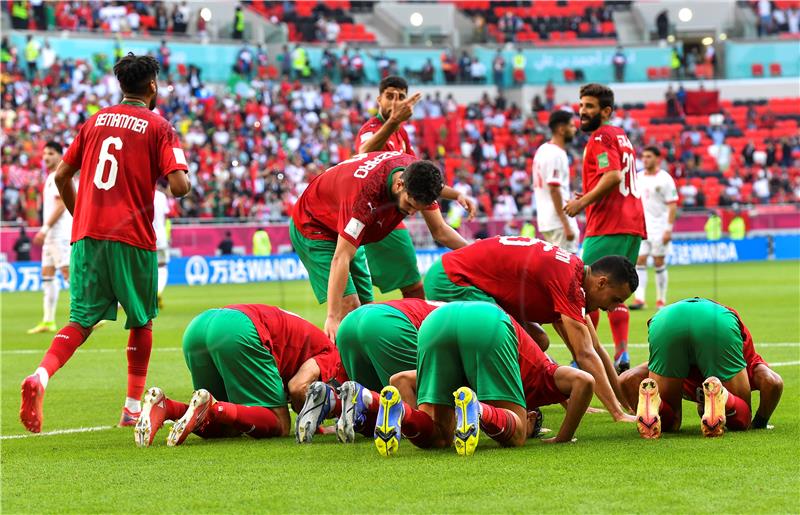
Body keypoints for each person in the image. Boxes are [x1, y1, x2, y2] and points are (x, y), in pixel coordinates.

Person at [19, 53, 191, 434]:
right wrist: (181, 171)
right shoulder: (159, 127)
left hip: (86, 235)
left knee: (80, 321)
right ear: (152, 86)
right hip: (132, 237)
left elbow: (63, 176)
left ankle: (41, 376)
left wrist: (81, 214)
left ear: (121, 85)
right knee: (142, 320)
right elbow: (179, 187)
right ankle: (131, 408)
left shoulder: (94, 122)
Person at [424, 236, 637, 422]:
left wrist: (625, 403)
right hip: (454, 279)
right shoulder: (569, 285)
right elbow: (585, 354)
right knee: (510, 344)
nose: (610, 309)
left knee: (538, 341)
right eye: (614, 299)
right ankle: (486, 407)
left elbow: (596, 347)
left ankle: (486, 401)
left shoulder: (574, 274)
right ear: (601, 283)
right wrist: (617, 414)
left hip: (460, 275)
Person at [371, 302, 595, 457]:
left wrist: (416, 412)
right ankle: (477, 409)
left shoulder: (480, 379)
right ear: (532, 416)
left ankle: (401, 413)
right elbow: (585, 381)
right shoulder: (544, 375)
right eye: (533, 426)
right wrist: (563, 438)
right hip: (487, 321)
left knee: (440, 439)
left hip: (436, 321)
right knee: (516, 438)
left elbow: (400, 379)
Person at [290, 151, 466, 341]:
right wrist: (332, 317)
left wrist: (476, 251)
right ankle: (335, 367)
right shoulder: (365, 199)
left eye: (419, 209)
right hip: (314, 226)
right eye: (410, 204)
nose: (413, 212)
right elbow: (341, 257)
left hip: (344, 223)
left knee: (368, 314)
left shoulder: (418, 176)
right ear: (399, 185)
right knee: (349, 308)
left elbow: (440, 230)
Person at [133, 304, 346, 447]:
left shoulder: (313, 338)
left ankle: (167, 407)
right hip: (237, 329)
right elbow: (299, 387)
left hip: (199, 327)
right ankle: (215, 406)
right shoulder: (333, 354)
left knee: (228, 427)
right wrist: (314, 424)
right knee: (280, 425)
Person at [355, 76, 474, 300]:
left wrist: (456, 194)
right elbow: (364, 152)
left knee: (364, 296)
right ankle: (416, 330)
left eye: (401, 97)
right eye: (390, 96)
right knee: (414, 289)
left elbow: (415, 174)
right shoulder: (371, 128)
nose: (395, 102)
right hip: (376, 213)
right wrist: (392, 124)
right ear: (379, 99)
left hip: (385, 214)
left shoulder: (402, 134)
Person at [564, 83, 646, 374]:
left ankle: (582, 358)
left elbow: (611, 176)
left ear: (606, 111)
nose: (582, 111)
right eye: (582, 105)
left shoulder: (600, 136)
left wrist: (581, 203)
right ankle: (621, 351)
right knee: (616, 289)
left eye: (589, 106)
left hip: (609, 223)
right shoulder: (621, 135)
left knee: (583, 290)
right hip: (632, 224)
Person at [622, 298, 783, 438]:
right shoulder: (749, 362)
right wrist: (759, 423)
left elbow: (627, 379)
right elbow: (773, 382)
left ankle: (654, 402)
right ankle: (724, 397)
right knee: (742, 420)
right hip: (716, 320)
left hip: (667, 318)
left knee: (670, 425)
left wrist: (638, 408)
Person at [28, 142, 76, 334]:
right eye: (44, 153)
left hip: (59, 233)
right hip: (51, 236)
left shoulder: (60, 176)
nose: (46, 157)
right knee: (47, 276)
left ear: (59, 156)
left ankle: (88, 315)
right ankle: (48, 320)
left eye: (51, 153)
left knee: (68, 274)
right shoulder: (50, 177)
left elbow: (62, 205)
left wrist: (45, 228)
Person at [630, 147, 678, 311]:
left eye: (649, 156)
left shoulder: (665, 179)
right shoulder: (638, 177)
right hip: (641, 226)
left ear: (658, 158)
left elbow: (672, 205)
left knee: (659, 261)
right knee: (640, 260)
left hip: (659, 227)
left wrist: (668, 229)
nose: (645, 159)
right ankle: (640, 298)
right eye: (643, 156)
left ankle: (661, 299)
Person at [532, 110, 580, 254]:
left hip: (546, 220)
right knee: (567, 268)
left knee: (554, 267)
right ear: (561, 129)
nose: (574, 129)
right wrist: (565, 223)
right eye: (571, 126)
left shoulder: (542, 150)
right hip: (558, 221)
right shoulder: (556, 154)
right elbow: (554, 188)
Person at [153, 180, 170, 309]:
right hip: (161, 236)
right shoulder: (161, 196)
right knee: (162, 265)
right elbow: (165, 218)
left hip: (145, 235)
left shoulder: (141, 193)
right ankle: (158, 291)